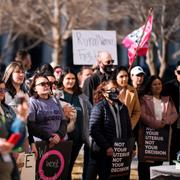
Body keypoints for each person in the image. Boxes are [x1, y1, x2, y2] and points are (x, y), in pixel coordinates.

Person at [88, 80, 132, 180]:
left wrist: (131, 146)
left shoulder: (123, 108)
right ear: (104, 93)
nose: (115, 91)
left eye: (117, 89)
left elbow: (129, 129)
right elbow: (93, 130)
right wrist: (107, 147)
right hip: (104, 153)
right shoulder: (99, 107)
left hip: (121, 152)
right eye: (112, 89)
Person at [138, 75, 178, 180]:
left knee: (157, 167)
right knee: (145, 167)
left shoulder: (167, 99)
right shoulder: (144, 99)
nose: (157, 86)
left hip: (161, 140)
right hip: (148, 139)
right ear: (150, 86)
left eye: (159, 84)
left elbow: (174, 114)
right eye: (154, 84)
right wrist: (156, 123)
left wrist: (166, 121)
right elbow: (142, 114)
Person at [59, 68, 92, 180]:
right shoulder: (57, 95)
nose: (71, 81)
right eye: (68, 78)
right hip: (62, 139)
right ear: (62, 79)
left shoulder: (81, 97)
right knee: (61, 169)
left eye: (73, 78)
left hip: (77, 139)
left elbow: (90, 113)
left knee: (69, 167)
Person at [2, 61, 37, 156]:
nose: (21, 74)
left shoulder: (25, 94)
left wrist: (32, 143)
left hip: (23, 137)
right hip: (7, 137)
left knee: (25, 169)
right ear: (10, 73)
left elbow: (27, 121)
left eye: (22, 72)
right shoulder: (3, 93)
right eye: (17, 72)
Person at [27, 73, 67, 146]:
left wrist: (59, 135)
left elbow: (63, 121)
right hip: (40, 144)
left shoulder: (55, 100)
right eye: (42, 84)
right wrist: (49, 137)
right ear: (34, 88)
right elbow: (31, 125)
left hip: (58, 142)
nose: (46, 85)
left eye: (48, 83)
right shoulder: (32, 102)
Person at [0, 79, 28, 180]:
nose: (3, 93)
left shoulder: (7, 108)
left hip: (8, 169)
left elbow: (13, 141)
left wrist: (21, 118)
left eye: (4, 90)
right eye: (0, 90)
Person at [163, 61, 180, 164]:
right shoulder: (168, 87)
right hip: (173, 130)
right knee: (174, 161)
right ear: (175, 72)